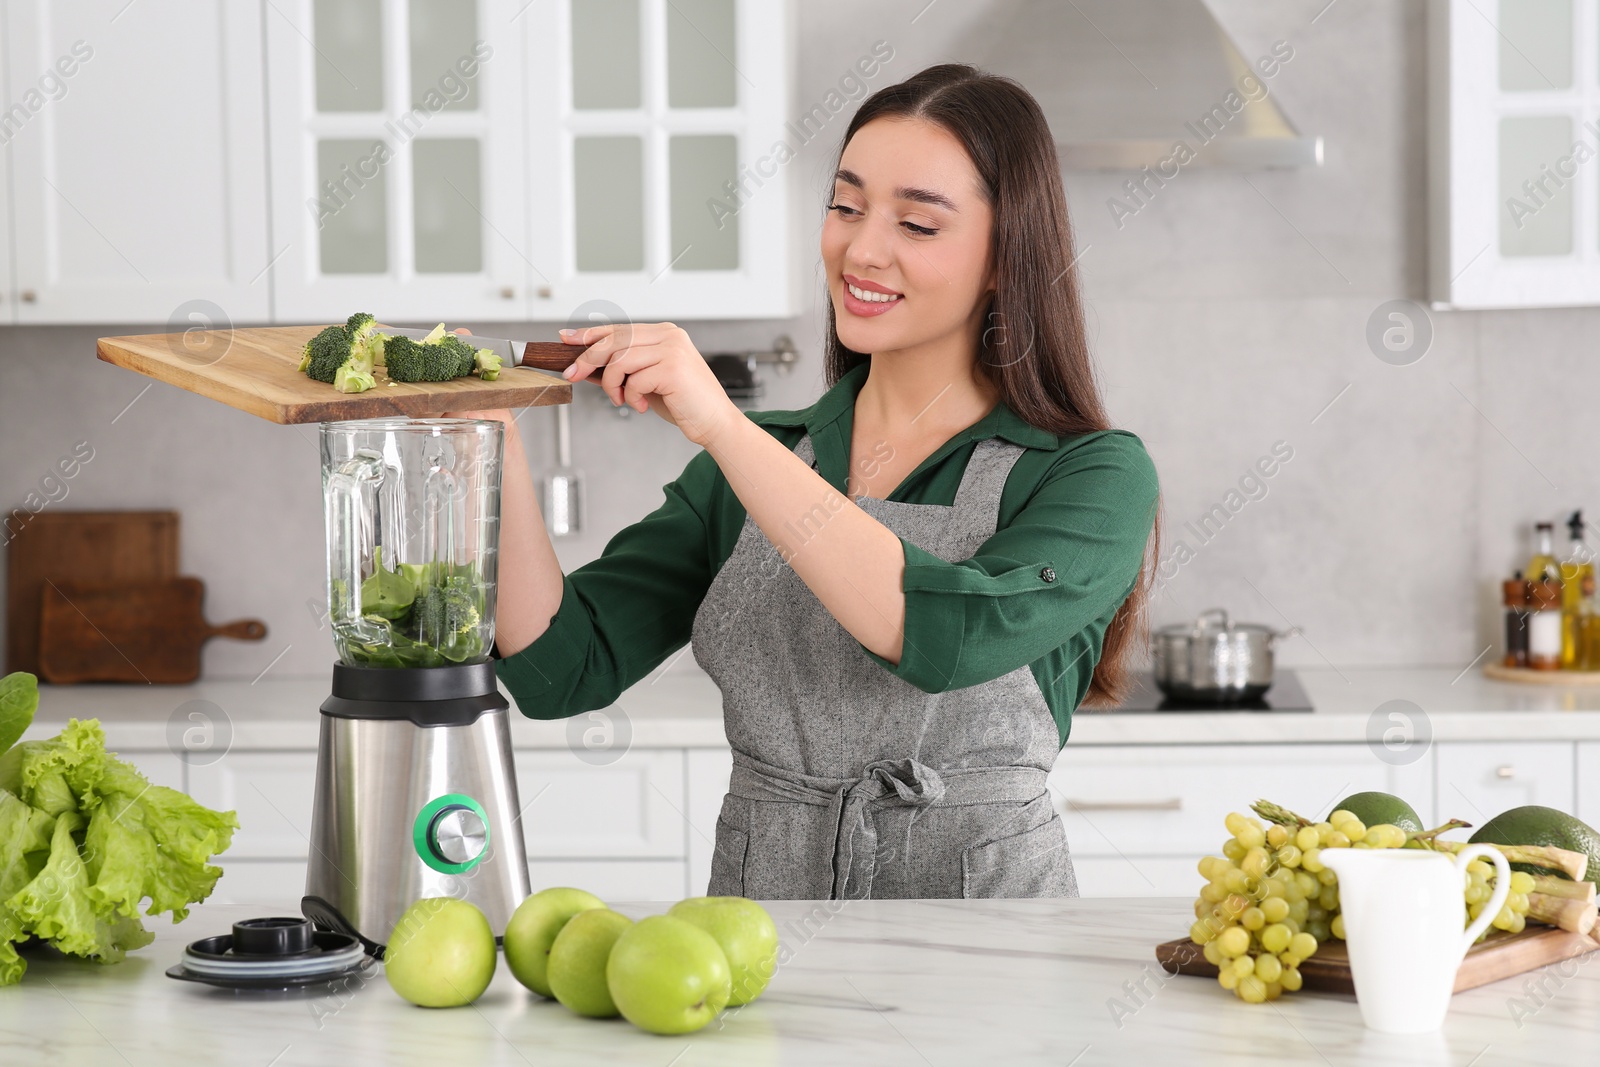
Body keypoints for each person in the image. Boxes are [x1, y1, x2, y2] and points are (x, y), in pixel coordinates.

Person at [456, 64, 1160, 900]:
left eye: (917, 224)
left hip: (993, 943)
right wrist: (488, 429)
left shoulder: (1090, 473)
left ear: (1008, 257)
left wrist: (723, 425)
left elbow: (946, 639)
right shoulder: (762, 463)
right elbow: (560, 667)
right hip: (761, 931)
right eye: (846, 205)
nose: (862, 249)